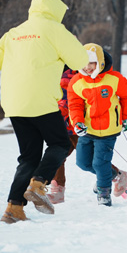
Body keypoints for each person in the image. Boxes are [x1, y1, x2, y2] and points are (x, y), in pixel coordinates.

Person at [0, 0, 89, 224]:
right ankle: (39, 183)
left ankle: (13, 209)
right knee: (60, 143)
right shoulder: (55, 30)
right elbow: (80, 61)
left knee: (28, 157)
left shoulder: (13, 33)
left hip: (14, 103)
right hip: (41, 101)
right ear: (56, 11)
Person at [67, 43, 127, 206]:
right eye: (84, 63)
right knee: (83, 163)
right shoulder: (76, 82)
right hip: (87, 129)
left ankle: (104, 192)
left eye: (92, 63)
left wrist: (125, 117)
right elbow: (74, 105)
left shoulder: (114, 79)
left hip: (109, 129)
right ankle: (116, 176)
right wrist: (77, 122)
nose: (88, 67)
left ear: (100, 62)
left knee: (100, 163)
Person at [46, 66, 79, 204]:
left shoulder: (77, 71)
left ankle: (117, 175)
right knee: (58, 156)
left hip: (78, 123)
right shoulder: (50, 70)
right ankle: (58, 189)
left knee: (91, 158)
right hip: (61, 124)